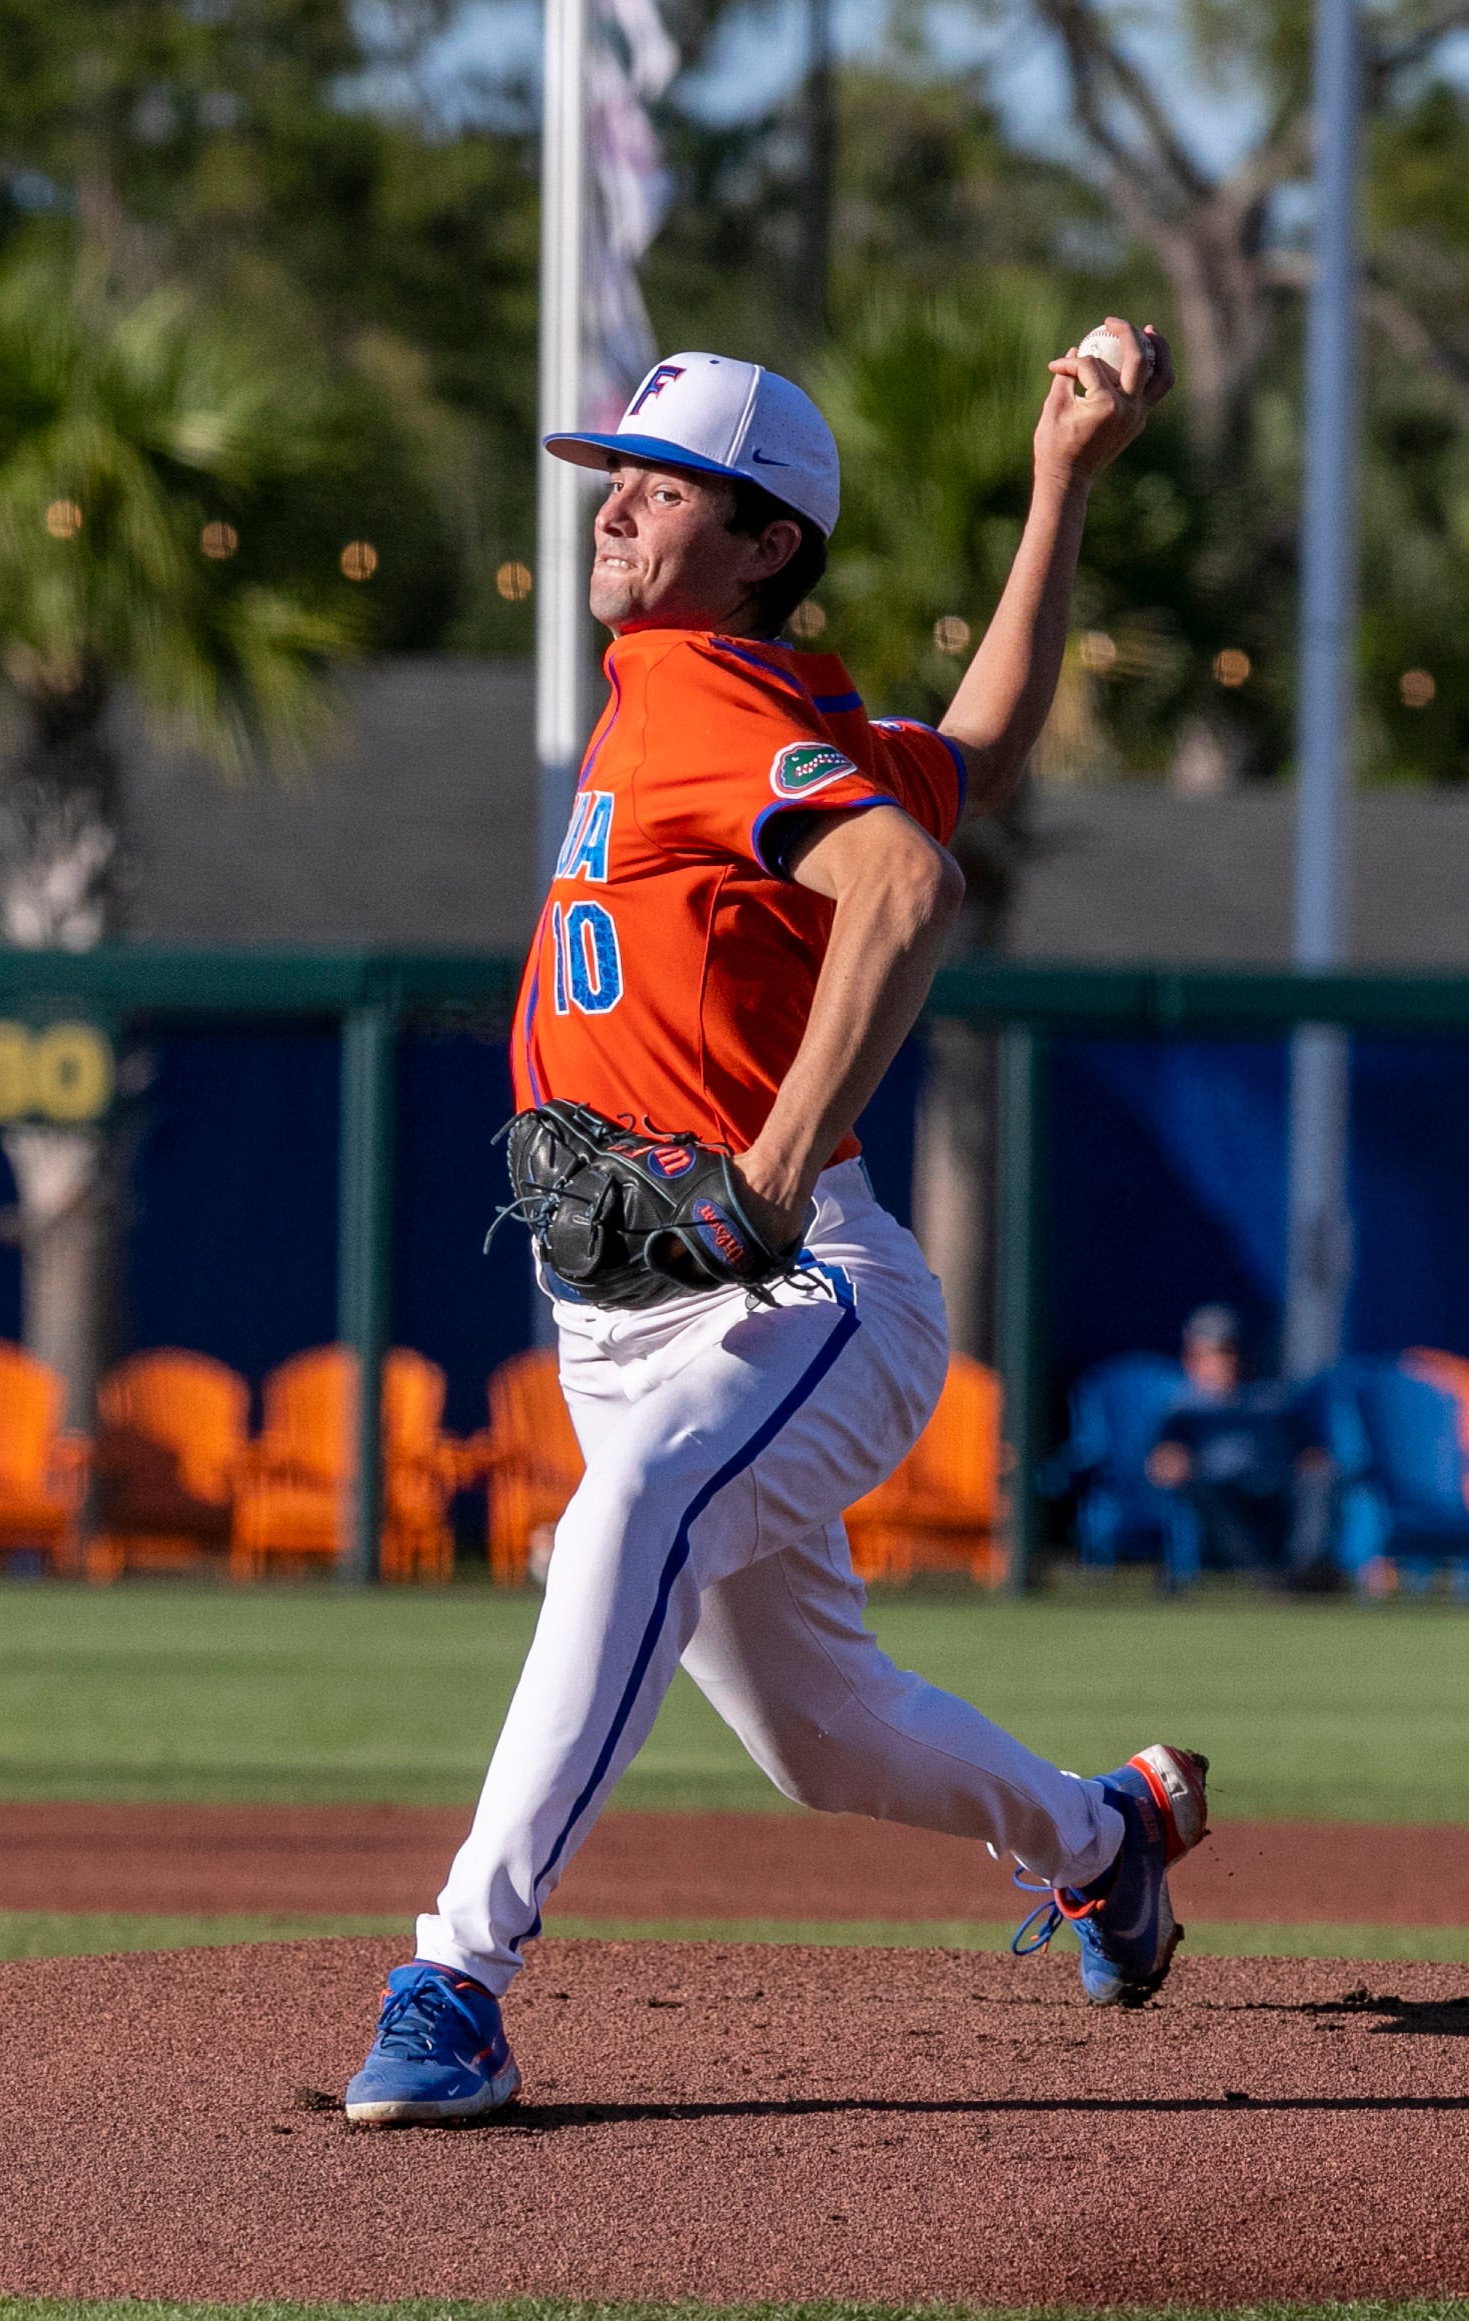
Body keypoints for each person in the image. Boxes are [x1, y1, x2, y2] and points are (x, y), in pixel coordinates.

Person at [344, 325, 1207, 2128]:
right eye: (617, 480)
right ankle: (1100, 1837)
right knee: (819, 1741)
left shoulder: (705, 700)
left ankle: (456, 1978)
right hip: (648, 1310)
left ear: (764, 543)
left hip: (795, 1284)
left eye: (666, 490)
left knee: (622, 1520)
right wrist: (1056, 490)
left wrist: (773, 1164)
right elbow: (971, 746)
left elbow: (907, 878)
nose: (617, 510)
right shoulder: (739, 705)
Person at [1149, 1305, 1334, 1584]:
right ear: (1191, 1360)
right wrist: (1173, 1462)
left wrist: (1313, 1462)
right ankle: (1264, 1578)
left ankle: (1306, 1569)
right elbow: (1161, 1464)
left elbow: (1311, 1451)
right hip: (1220, 1498)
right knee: (1204, 1492)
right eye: (1211, 1354)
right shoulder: (1183, 1411)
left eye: (1228, 1352)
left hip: (1276, 1495)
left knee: (1320, 1480)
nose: (1223, 1363)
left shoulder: (1272, 1400)